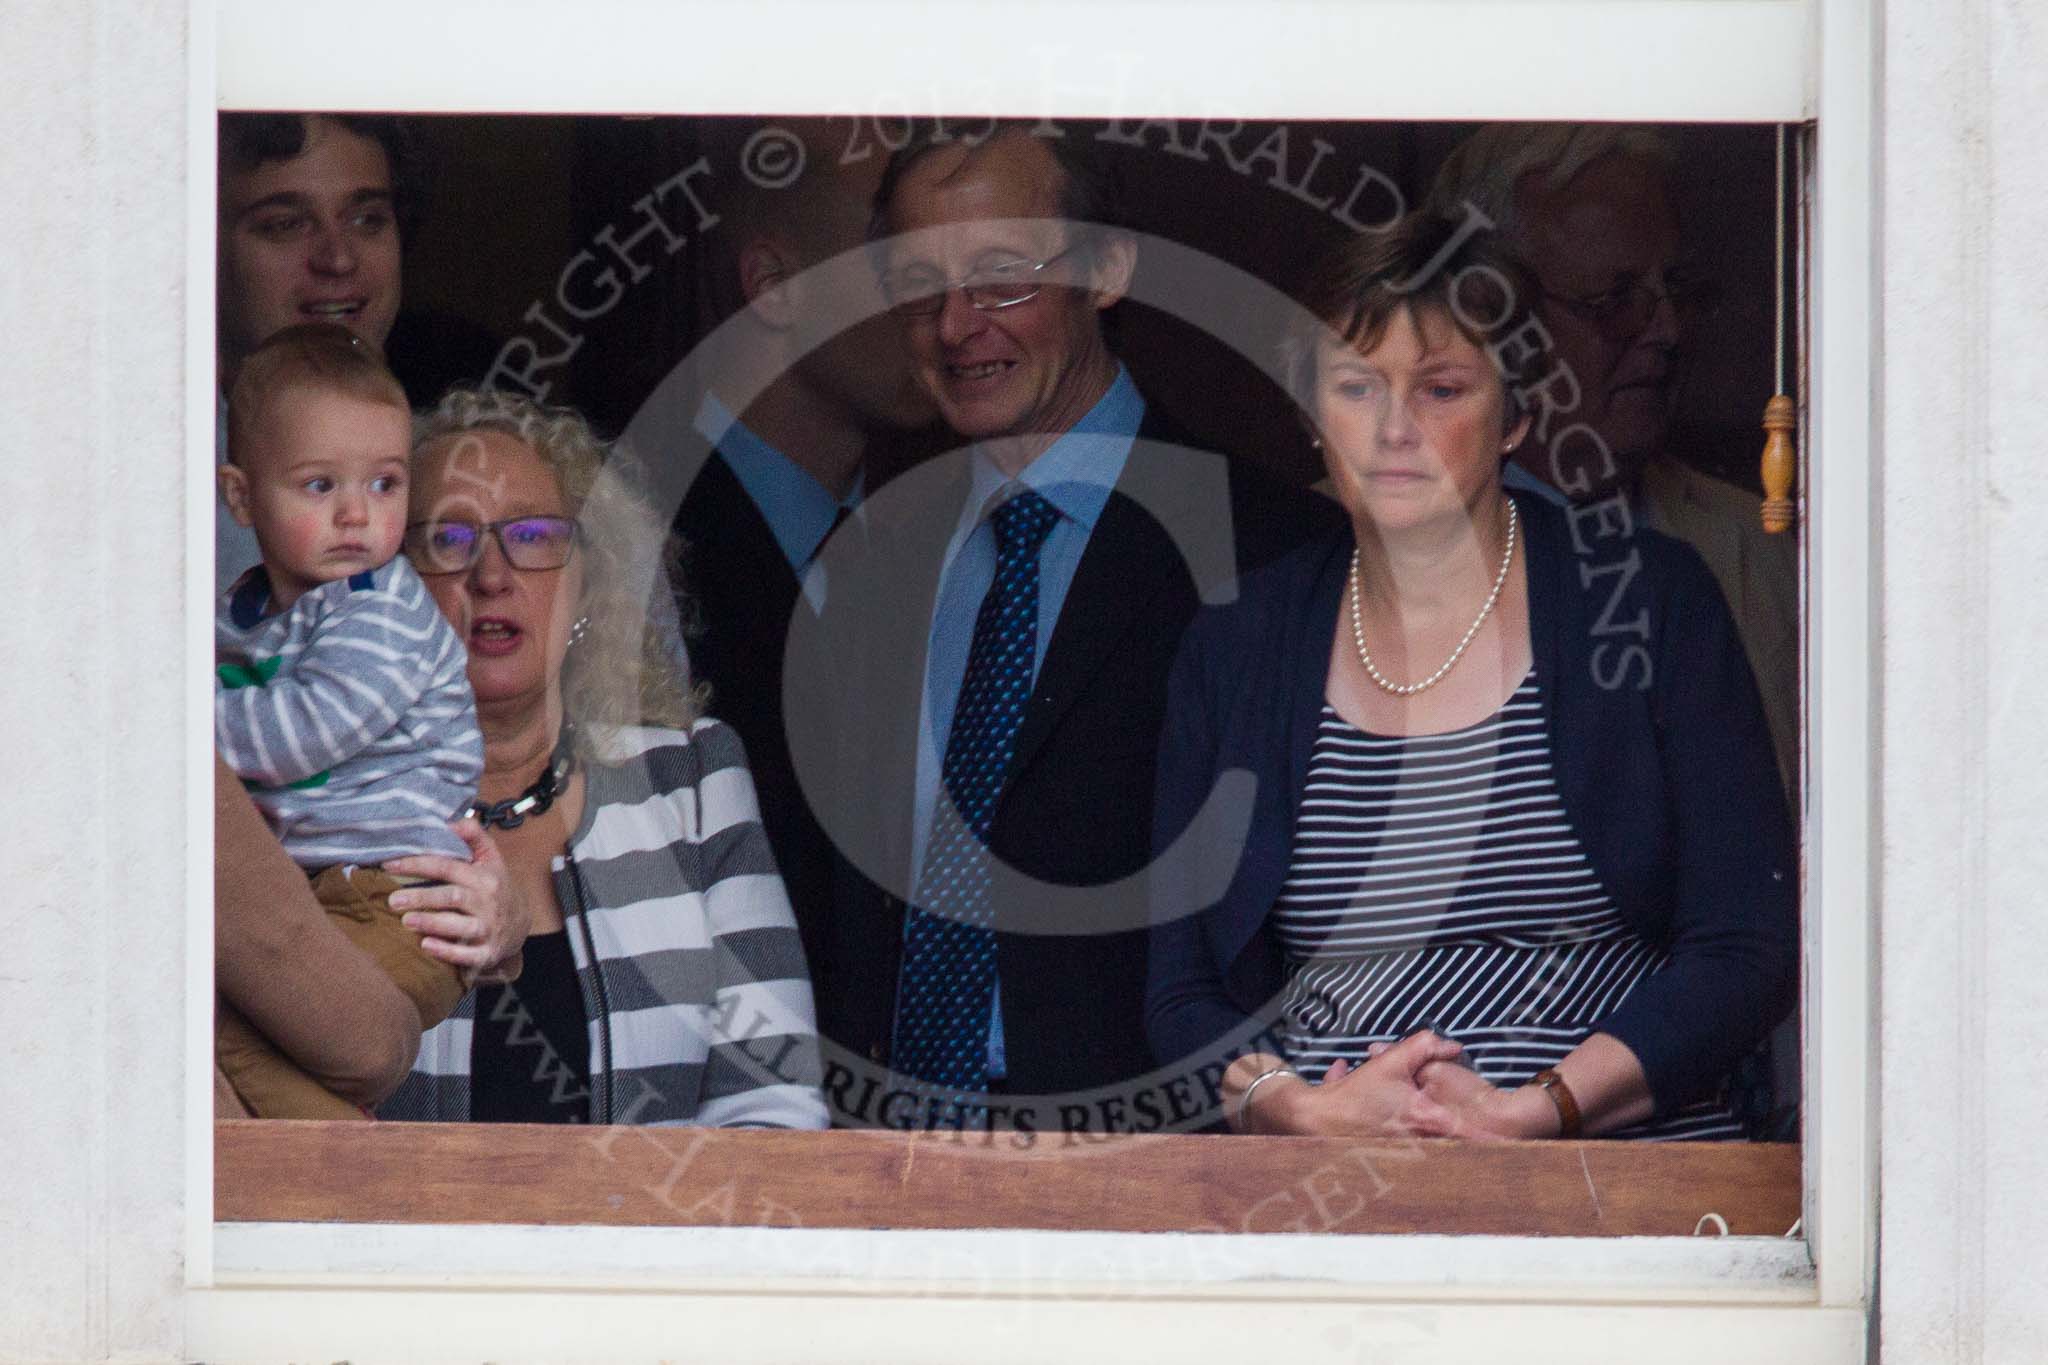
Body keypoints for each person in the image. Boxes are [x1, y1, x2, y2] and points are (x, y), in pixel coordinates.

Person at [1146, 213, 1797, 1140]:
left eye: (1443, 388)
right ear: (1309, 413)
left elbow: (1749, 945)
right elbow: (1181, 990)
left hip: (1627, 1189)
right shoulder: (1236, 643)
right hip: (1339, 1199)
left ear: (1517, 415)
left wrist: (1540, 1109)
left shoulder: (1649, 600)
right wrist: (1304, 1110)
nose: (1395, 427)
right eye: (1356, 387)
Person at [791, 123, 1327, 1130]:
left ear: (1107, 270)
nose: (955, 326)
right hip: (885, 1160)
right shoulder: (860, 564)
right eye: (919, 283)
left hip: (1167, 1174)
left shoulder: (1272, 555)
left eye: (1001, 278)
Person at [379, 388, 828, 1128]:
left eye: (531, 535)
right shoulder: (337, 801)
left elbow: (773, 1102)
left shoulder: (691, 782)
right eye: (448, 541)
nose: (491, 574)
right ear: (391, 585)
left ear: (589, 583)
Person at [1424, 124, 1799, 801]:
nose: (1667, 331)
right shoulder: (1333, 544)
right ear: (1490, 318)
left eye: (1674, 290)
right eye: (1614, 299)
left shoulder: (1766, 551)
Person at [666, 117, 936, 968]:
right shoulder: (615, 535)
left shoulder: (950, 549)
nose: (944, 298)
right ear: (774, 284)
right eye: (899, 255)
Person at [213, 324, 484, 1119]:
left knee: (215, 1030)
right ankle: (345, 1174)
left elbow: (304, 730)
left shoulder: (383, 608)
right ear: (241, 496)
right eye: (321, 486)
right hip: (317, 895)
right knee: (244, 1062)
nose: (357, 516)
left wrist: (168, 721)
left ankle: (343, 1180)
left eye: (387, 484)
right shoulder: (244, 613)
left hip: (397, 897)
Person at [216, 113, 415, 596]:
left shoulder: (446, 446)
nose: (338, 258)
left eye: (367, 219)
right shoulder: (153, 465)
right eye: (285, 224)